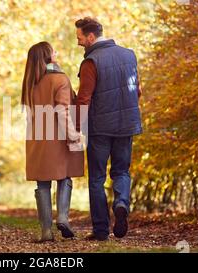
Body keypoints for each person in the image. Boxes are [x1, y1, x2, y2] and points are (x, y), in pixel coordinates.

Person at [74, 17, 143, 240]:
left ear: (91, 37)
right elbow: (138, 91)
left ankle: (101, 230)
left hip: (100, 128)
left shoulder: (91, 62)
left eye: (80, 38)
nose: (79, 42)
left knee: (96, 178)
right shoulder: (129, 55)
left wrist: (76, 128)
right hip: (127, 125)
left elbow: (84, 99)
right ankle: (121, 203)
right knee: (121, 171)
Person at [22, 41, 84, 242]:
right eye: (53, 50)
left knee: (43, 182)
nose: (57, 52)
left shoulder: (31, 81)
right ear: (48, 56)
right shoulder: (60, 79)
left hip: (37, 138)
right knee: (64, 177)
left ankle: (46, 231)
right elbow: (62, 111)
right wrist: (73, 135)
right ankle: (63, 218)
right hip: (58, 137)